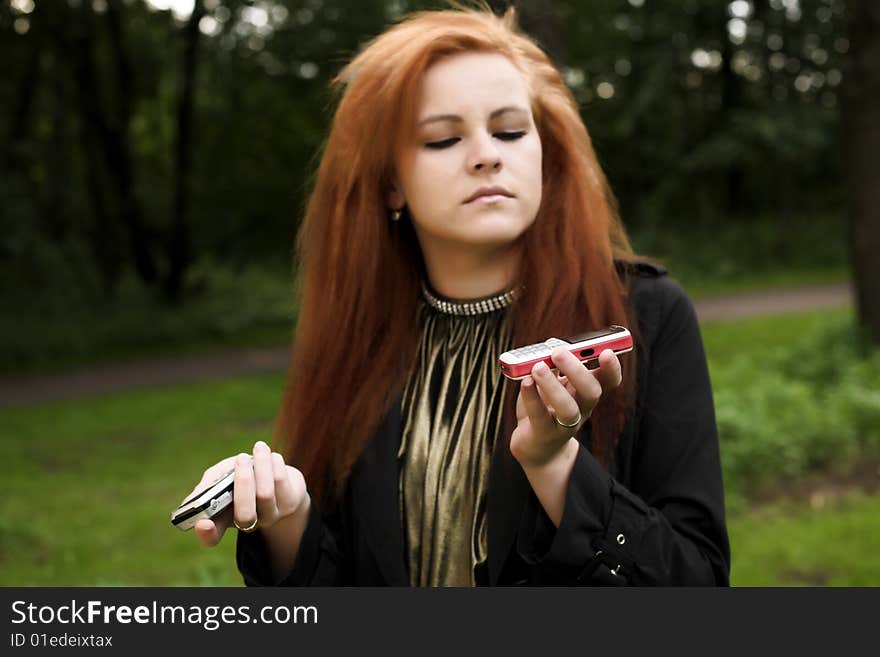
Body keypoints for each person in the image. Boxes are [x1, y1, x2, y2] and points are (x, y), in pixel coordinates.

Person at [185, 5, 730, 586]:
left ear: (545, 155)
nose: (487, 154)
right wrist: (290, 519)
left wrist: (555, 466)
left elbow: (696, 580)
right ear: (390, 181)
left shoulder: (643, 316)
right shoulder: (359, 337)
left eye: (512, 131)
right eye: (444, 139)